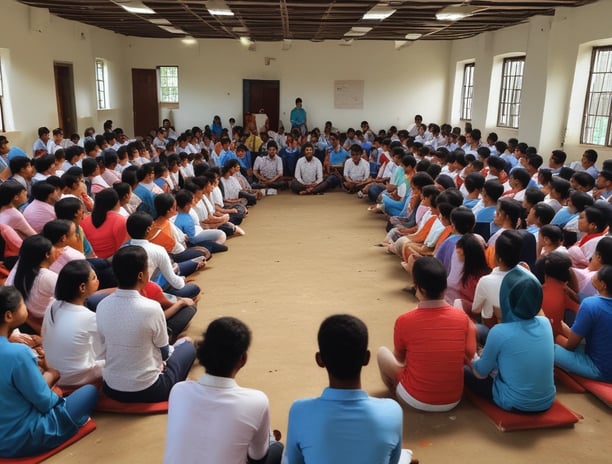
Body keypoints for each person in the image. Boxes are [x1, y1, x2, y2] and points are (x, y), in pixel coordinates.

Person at [285, 314, 404, 464]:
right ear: (366, 358)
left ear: (319, 360)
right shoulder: (392, 411)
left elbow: (294, 461)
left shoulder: (299, 411)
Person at [164, 317, 283, 464]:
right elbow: (258, 457)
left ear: (201, 351)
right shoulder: (256, 400)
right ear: (243, 359)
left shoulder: (178, 390)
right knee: (276, 447)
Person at [0, 286, 98, 458]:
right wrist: (51, 374)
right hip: (23, 439)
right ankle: (71, 423)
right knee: (89, 392)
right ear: (9, 316)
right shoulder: (17, 354)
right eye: (23, 305)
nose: (26, 308)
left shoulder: (16, 351)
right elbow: (44, 402)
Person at [96, 245, 197, 402]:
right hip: (150, 388)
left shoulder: (102, 306)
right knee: (188, 345)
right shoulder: (151, 307)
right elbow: (164, 353)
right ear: (142, 276)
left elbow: (102, 347)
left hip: (111, 387)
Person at [378, 257, 476, 412]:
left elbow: (400, 359)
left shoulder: (404, 320)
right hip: (453, 399)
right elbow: (468, 356)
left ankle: (397, 393)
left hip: (415, 399)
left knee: (382, 353)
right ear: (445, 287)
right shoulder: (462, 318)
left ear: (420, 289)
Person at [466, 265, 556, 413]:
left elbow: (481, 372)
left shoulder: (500, 332)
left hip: (514, 402)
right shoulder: (545, 323)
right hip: (546, 400)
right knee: (482, 332)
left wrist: (473, 356)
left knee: (463, 369)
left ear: (507, 299)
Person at [42, 260, 105, 387]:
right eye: (93, 278)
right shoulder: (89, 317)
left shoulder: (54, 305)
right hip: (74, 378)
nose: (97, 280)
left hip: (51, 370)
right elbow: (103, 350)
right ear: (82, 287)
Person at [554, 265, 612, 381]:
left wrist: (562, 332)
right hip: (601, 356)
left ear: (603, 285)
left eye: (597, 275)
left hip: (601, 369)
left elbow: (570, 345)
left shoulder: (590, 305)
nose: (594, 275)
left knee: (550, 348)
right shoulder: (593, 303)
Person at [80, 188, 128, 259]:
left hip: (91, 262)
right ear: (117, 202)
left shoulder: (84, 222)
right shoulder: (120, 220)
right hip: (112, 262)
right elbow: (122, 248)